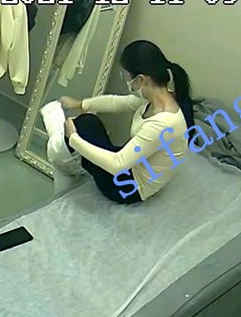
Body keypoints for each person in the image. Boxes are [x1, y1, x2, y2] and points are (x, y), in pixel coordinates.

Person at [40, 40, 193, 205]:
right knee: (87, 122)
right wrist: (81, 104)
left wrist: (73, 138)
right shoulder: (160, 96)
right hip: (134, 166)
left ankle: (57, 143)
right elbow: (118, 103)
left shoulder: (164, 124)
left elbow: (117, 164)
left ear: (141, 79)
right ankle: (61, 148)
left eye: (126, 76)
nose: (126, 81)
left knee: (63, 147)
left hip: (127, 188)